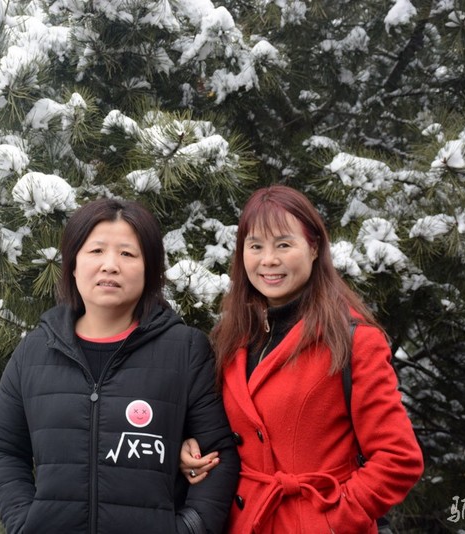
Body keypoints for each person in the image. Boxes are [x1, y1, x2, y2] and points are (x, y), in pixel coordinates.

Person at [0, 198, 239, 534]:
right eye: (96, 251)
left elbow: (218, 454)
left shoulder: (184, 350)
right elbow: (0, 449)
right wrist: (24, 523)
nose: (110, 265)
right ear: (73, 264)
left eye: (127, 254)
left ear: (149, 269)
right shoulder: (35, 351)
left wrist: (189, 528)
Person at [180, 185, 424, 533]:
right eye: (255, 246)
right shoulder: (230, 337)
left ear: (313, 248)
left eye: (283, 244)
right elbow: (223, 429)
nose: (268, 260)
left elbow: (398, 459)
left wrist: (330, 521)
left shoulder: (352, 339)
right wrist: (191, 448)